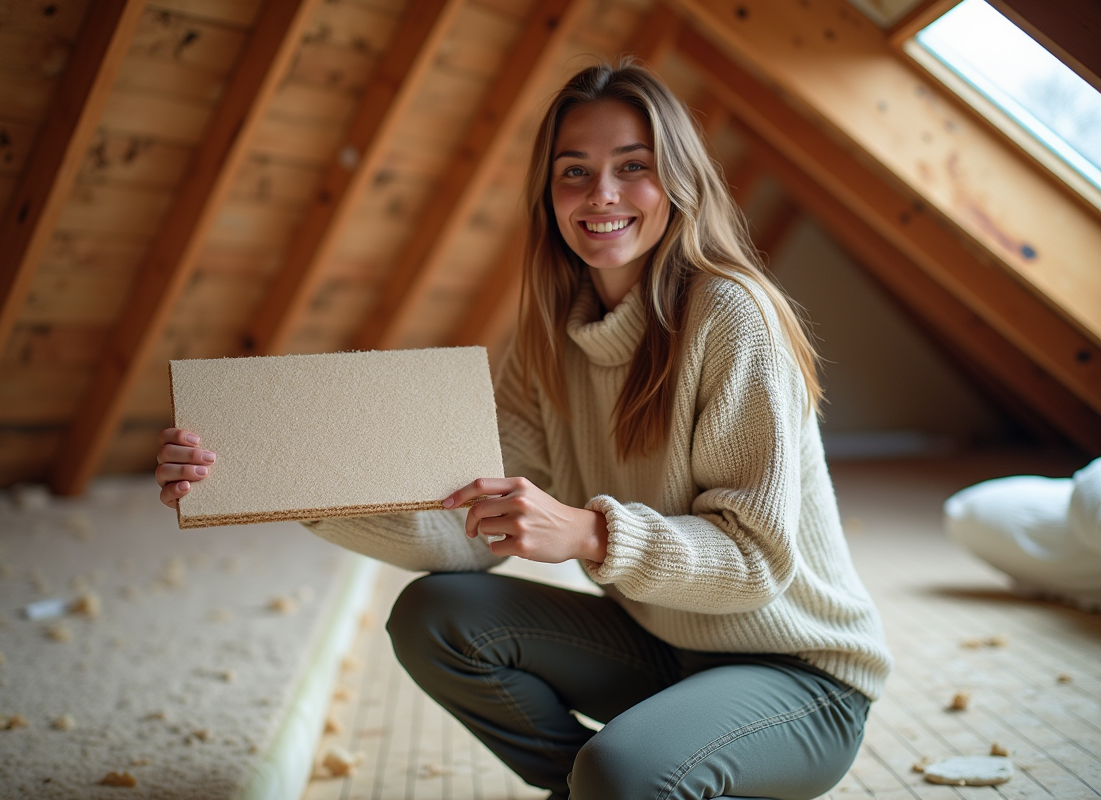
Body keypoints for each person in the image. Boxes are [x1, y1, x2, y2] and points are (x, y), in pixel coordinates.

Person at [156, 61, 891, 800]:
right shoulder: (550, 338)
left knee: (620, 771)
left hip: (800, 674)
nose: (601, 193)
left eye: (631, 167)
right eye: (575, 172)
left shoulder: (732, 316)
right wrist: (276, 483)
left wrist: (589, 535)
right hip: (667, 646)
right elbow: (463, 529)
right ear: (549, 195)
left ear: (677, 182)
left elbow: (757, 559)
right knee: (435, 616)